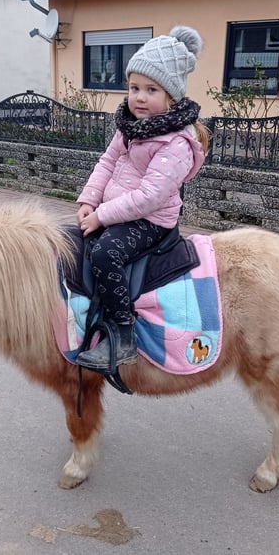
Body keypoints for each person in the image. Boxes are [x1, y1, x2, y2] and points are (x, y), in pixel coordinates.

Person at [75, 25, 209, 372]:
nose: (139, 97)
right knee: (72, 241)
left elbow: (150, 197)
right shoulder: (129, 127)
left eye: (151, 89)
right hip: (116, 211)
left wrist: (102, 217)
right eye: (134, 87)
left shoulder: (176, 142)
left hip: (151, 221)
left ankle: (122, 335)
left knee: (105, 252)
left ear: (172, 97)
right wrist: (88, 202)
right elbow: (106, 162)